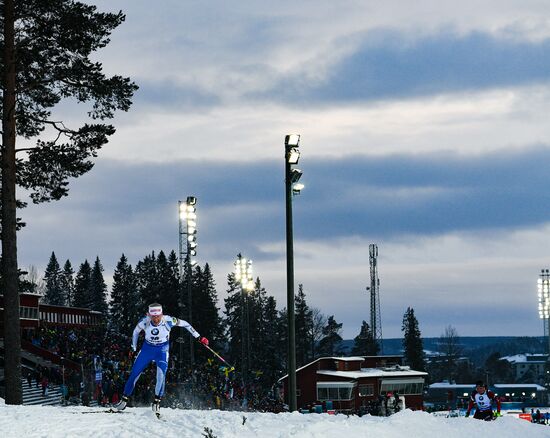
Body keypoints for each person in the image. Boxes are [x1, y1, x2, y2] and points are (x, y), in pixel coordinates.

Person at [115, 303, 209, 416]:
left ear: (161, 314)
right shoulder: (144, 321)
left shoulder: (169, 320)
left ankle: (156, 403)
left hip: (162, 351)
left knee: (161, 375)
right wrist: (133, 347)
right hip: (147, 350)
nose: (155, 319)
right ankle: (124, 400)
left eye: (157, 316)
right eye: (153, 316)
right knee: (135, 373)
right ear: (149, 315)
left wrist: (198, 337)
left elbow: (185, 324)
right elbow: (135, 332)